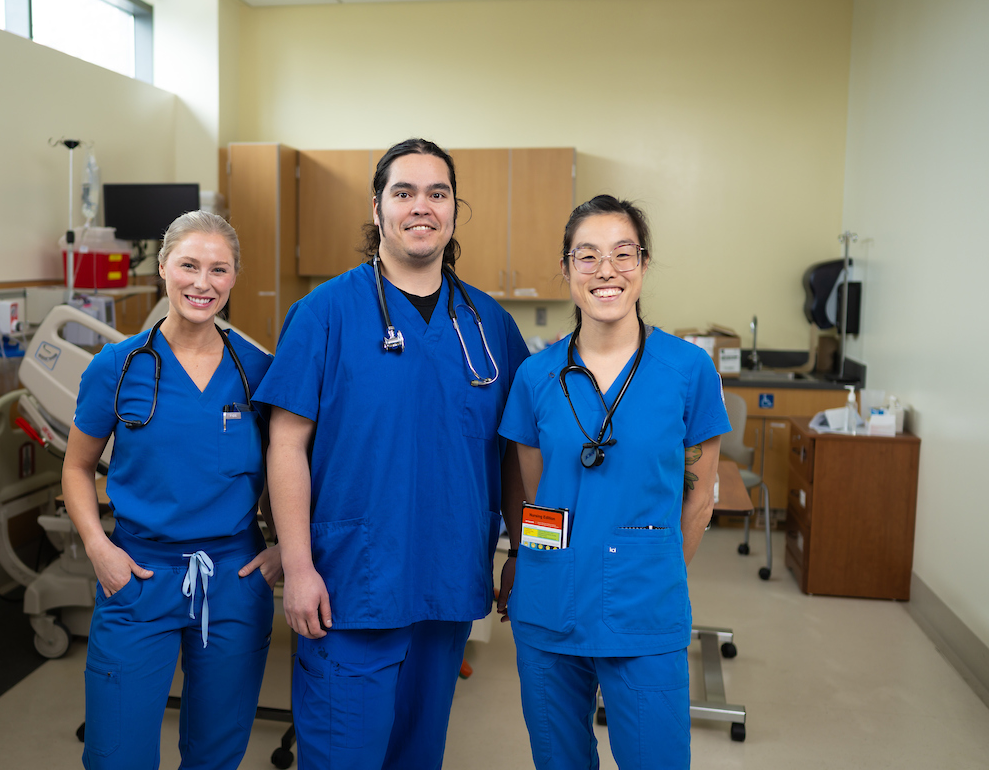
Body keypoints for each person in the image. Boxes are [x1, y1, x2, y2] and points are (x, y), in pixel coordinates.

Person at [254, 138, 530, 770]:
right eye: (403, 192)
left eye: (438, 193)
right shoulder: (323, 313)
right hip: (352, 585)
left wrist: (523, 551)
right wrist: (298, 567)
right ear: (377, 209)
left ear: (456, 210)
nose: (421, 206)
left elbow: (516, 457)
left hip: (449, 580)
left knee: (419, 756)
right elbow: (286, 444)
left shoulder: (490, 326)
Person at [496, 195, 730, 770]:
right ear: (567, 269)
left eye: (623, 254)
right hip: (550, 606)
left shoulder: (688, 370)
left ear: (644, 265)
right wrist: (535, 564)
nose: (607, 271)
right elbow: (533, 494)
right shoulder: (536, 376)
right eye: (588, 255)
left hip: (646, 608)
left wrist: (657, 570)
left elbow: (699, 498)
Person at [63, 210, 280, 770]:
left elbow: (296, 466)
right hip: (137, 576)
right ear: (163, 268)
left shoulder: (258, 370)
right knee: (115, 755)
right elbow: (77, 468)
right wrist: (98, 549)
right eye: (188, 265)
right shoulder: (118, 366)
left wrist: (285, 550)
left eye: (218, 269)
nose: (202, 283)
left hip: (232, 577)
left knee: (216, 752)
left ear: (233, 279)